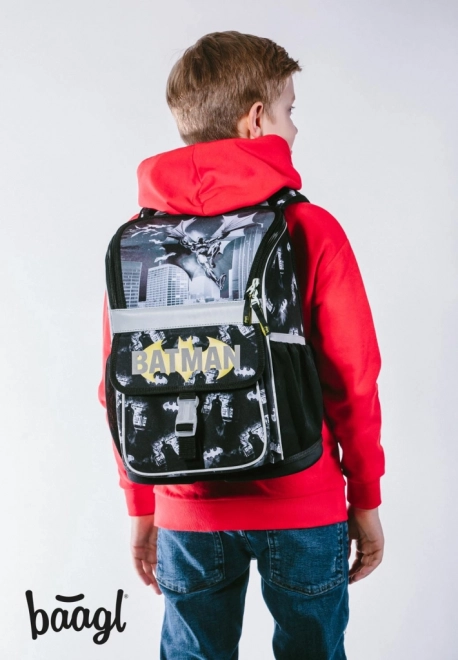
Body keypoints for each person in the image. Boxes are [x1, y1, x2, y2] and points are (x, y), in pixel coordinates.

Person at [98, 31, 385, 660]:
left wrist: (142, 505)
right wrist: (364, 496)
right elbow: (353, 377)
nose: (294, 127)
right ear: (256, 119)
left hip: (185, 508)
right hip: (302, 497)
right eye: (288, 110)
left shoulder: (140, 241)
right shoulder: (309, 227)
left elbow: (116, 384)